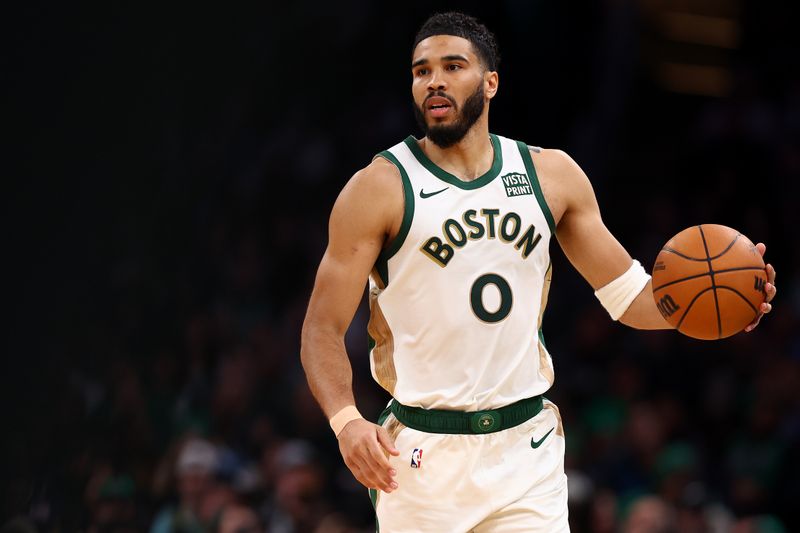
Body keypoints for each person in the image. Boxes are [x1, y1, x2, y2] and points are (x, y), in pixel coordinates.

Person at [300, 11, 777, 532]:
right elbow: (321, 327)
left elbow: (629, 296)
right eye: (421, 70)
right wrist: (346, 422)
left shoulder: (550, 175)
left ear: (490, 82)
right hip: (421, 454)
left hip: (525, 451)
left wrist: (712, 308)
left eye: (452, 66)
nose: (433, 80)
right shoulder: (379, 187)